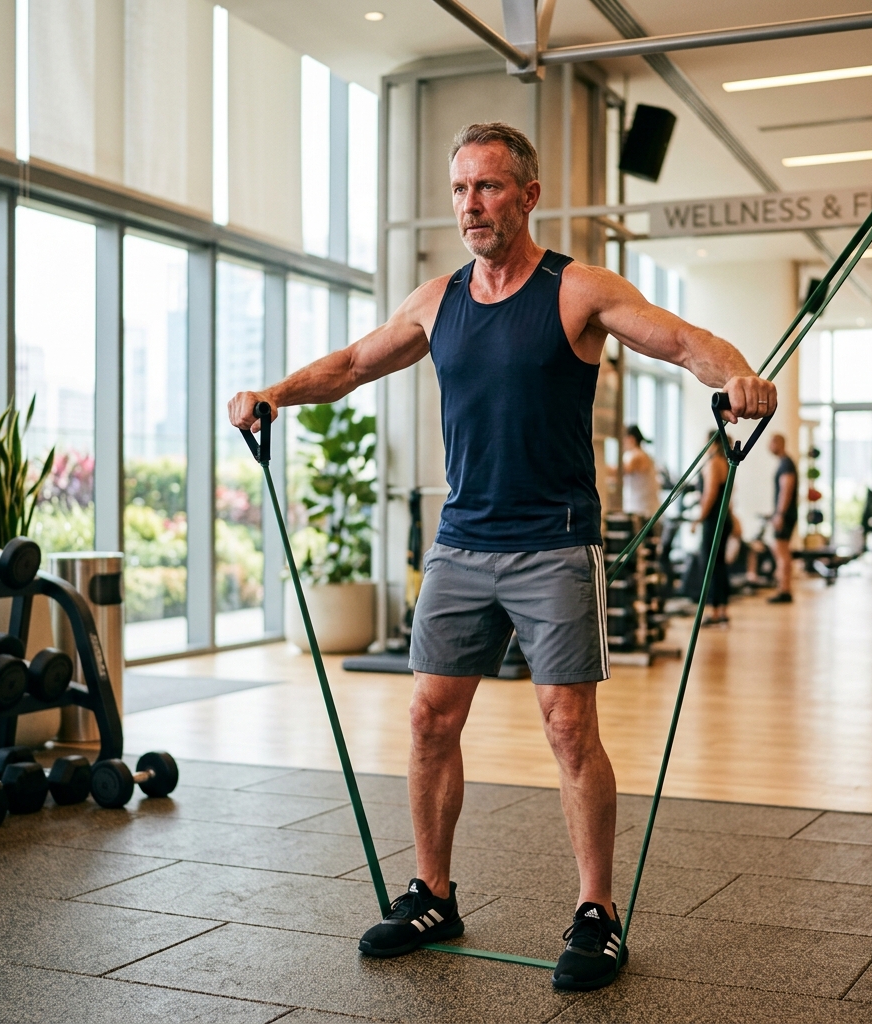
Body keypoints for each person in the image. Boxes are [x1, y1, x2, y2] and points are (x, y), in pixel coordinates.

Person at [227, 121, 776, 991]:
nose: (471, 205)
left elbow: (678, 340)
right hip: (460, 540)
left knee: (568, 729)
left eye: (487, 188)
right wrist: (274, 394)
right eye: (459, 190)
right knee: (427, 720)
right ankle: (433, 893)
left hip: (555, 542)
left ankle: (597, 912)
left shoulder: (578, 289)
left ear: (528, 195)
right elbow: (354, 363)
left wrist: (737, 372)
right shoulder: (436, 298)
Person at [693, 431, 731, 625]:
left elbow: (710, 493)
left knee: (710, 566)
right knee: (719, 565)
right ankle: (722, 610)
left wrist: (698, 519)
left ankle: (715, 612)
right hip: (723, 518)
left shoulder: (713, 462)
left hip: (714, 519)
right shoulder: (725, 461)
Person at [767, 433, 798, 604]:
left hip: (786, 515)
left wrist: (780, 514)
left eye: (771, 442)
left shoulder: (786, 464)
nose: (769, 446)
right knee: (780, 550)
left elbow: (787, 489)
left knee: (781, 551)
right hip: (785, 514)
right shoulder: (784, 463)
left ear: (780, 443)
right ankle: (783, 588)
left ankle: (785, 590)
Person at [621, 425, 660, 517]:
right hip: (642, 510)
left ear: (631, 439)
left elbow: (621, 471)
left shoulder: (638, 456)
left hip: (645, 512)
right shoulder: (635, 454)